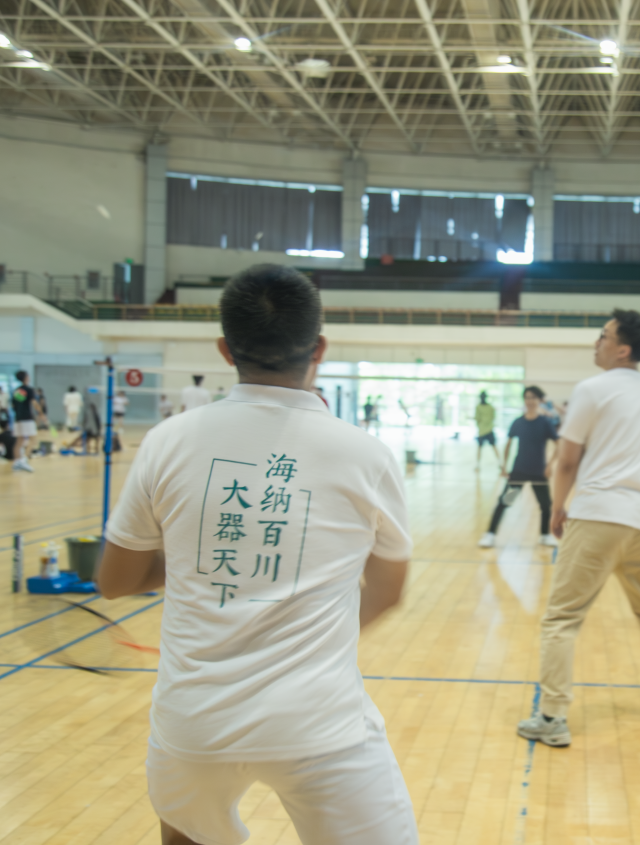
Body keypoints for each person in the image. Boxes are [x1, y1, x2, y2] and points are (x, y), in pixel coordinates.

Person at [98, 264, 417, 843]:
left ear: (225, 350)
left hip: (193, 726)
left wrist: (202, 552)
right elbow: (389, 591)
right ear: (319, 348)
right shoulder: (366, 455)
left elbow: (115, 580)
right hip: (318, 724)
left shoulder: (168, 440)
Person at [518, 309, 640, 748]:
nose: (596, 342)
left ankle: (552, 717)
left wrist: (558, 509)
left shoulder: (592, 390)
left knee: (562, 618)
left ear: (623, 349)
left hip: (598, 516)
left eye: (604, 336)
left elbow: (568, 460)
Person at [479, 385, 560, 549]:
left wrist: (550, 465)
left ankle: (545, 535)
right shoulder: (518, 422)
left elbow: (559, 444)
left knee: (545, 505)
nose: (530, 401)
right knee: (505, 502)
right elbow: (508, 445)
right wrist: (504, 466)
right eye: (527, 397)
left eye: (533, 397)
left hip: (539, 473)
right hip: (519, 472)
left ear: (539, 400)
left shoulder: (545, 423)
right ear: (524, 400)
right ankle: (490, 535)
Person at [11, 369, 45, 473]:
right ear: (26, 378)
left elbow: (13, 406)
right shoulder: (29, 389)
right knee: (33, 440)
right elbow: (34, 403)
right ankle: (23, 461)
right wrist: (41, 414)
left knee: (19, 441)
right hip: (27, 418)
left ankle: (16, 462)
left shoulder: (16, 391)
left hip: (18, 419)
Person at [475, 391, 501, 467]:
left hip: (485, 430)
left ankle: (500, 463)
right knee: (491, 446)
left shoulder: (481, 407)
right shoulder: (488, 407)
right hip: (486, 430)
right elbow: (493, 417)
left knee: (482, 447)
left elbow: (477, 418)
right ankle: (499, 463)